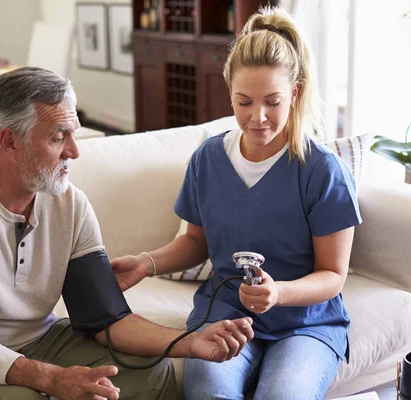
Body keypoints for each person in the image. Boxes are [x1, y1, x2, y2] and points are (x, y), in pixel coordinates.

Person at [0, 66, 255, 400]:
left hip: (41, 339)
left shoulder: (70, 204)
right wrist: (49, 377)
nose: (74, 150)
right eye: (59, 137)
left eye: (74, 133)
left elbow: (106, 320)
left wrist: (190, 341)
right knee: (20, 397)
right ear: (10, 141)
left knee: (151, 374)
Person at [111, 6, 361, 400]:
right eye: (244, 102)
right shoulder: (208, 160)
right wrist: (146, 263)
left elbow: (333, 274)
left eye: (272, 102)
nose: (257, 117)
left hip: (305, 323)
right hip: (224, 313)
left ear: (294, 93)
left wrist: (277, 293)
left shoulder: (321, 170)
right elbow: (196, 243)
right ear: (229, 91)